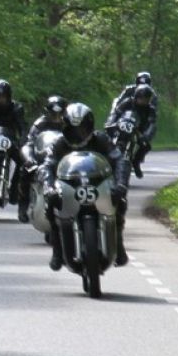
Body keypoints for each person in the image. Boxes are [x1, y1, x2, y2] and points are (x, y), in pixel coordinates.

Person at [40, 102, 131, 270]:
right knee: (51, 204)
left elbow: (120, 159)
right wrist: (49, 188)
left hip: (98, 184)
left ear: (90, 127)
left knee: (120, 202)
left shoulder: (101, 139)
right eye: (73, 129)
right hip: (69, 186)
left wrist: (121, 185)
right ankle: (57, 250)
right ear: (65, 127)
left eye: (82, 129)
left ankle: (118, 243)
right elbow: (48, 165)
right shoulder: (59, 143)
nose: (78, 133)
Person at [16, 95, 68, 223]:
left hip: (64, 158)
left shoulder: (69, 125)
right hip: (42, 157)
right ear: (47, 112)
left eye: (60, 114)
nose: (57, 118)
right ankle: (23, 206)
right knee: (25, 171)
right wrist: (29, 158)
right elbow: (29, 143)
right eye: (54, 114)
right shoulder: (39, 124)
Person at [105, 83, 157, 179]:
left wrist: (147, 135)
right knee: (106, 139)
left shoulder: (150, 110)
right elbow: (116, 113)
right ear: (137, 96)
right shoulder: (128, 102)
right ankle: (105, 158)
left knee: (146, 146)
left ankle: (136, 162)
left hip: (138, 130)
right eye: (142, 98)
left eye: (147, 98)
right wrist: (110, 124)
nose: (144, 100)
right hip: (121, 125)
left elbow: (152, 124)